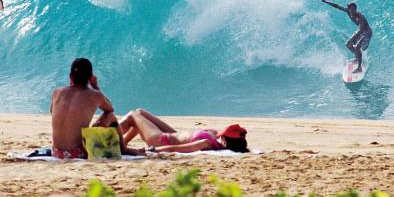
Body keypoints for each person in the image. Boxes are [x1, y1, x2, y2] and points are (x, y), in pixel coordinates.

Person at [50, 58, 137, 159]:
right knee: (110, 115)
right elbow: (110, 109)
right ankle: (124, 149)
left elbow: (53, 112)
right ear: (91, 77)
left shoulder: (57, 92)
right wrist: (96, 87)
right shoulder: (95, 95)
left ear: (70, 77)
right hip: (78, 153)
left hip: (56, 152)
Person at [119, 109, 249, 153]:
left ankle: (105, 137)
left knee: (133, 115)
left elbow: (175, 149)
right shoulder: (215, 139)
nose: (220, 135)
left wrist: (152, 150)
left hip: (161, 140)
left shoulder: (205, 143)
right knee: (141, 112)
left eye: (223, 136)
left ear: (225, 142)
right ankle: (121, 144)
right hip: (172, 134)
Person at [321, 0, 372, 73]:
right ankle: (358, 56)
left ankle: (359, 68)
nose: (351, 11)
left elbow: (361, 30)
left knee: (357, 47)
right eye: (350, 9)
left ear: (355, 9)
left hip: (366, 32)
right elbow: (337, 6)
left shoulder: (359, 17)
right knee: (348, 44)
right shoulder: (348, 11)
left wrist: (354, 38)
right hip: (360, 31)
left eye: (352, 9)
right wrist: (325, 1)